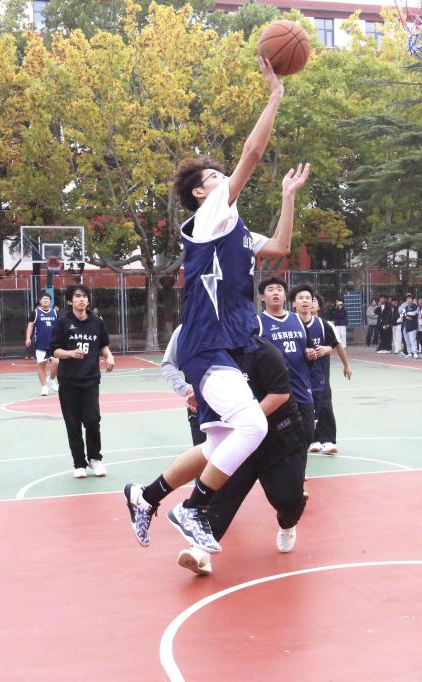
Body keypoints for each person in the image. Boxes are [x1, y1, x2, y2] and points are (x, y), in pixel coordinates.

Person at [123, 59, 308, 554]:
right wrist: (275, 95)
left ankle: (146, 495)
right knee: (254, 424)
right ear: (201, 192)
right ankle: (193, 509)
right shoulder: (210, 217)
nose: (223, 176)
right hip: (207, 344)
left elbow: (281, 247)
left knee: (218, 445)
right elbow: (253, 151)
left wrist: (288, 196)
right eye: (214, 175)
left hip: (224, 347)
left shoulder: (236, 231)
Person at [177, 336, 308, 576]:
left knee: (287, 498)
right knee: (222, 494)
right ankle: (200, 551)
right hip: (240, 441)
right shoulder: (216, 356)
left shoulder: (265, 352)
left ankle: (288, 522)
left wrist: (247, 422)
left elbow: (279, 395)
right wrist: (199, 396)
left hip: (279, 438)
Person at [50, 285, 114, 478]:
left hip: (90, 379)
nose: (82, 299)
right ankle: (79, 463)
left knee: (92, 421)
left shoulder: (96, 322)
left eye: (85, 296)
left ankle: (95, 459)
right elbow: (55, 351)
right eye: (78, 296)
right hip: (68, 380)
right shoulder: (63, 322)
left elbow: (103, 345)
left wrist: (109, 356)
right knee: (73, 423)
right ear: (70, 301)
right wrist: (70, 353)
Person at [256, 277, 315, 452]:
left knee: (307, 435)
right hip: (273, 392)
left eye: (279, 289)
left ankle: (297, 465)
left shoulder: (298, 320)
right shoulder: (257, 323)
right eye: (270, 289)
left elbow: (308, 348)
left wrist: (310, 354)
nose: (275, 293)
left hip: (301, 388)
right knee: (277, 440)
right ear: (262, 296)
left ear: (285, 295)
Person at [293, 284, 351, 454]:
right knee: (305, 407)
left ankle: (328, 440)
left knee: (324, 404)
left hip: (320, 372)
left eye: (311, 300)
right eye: (302, 298)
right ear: (294, 303)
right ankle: (313, 439)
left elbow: (335, 345)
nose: (308, 302)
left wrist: (343, 362)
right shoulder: (291, 323)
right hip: (299, 374)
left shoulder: (324, 325)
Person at [161, 324, 205, 447]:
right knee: (204, 455)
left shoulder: (233, 325)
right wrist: (187, 389)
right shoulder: (184, 330)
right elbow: (167, 365)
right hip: (199, 410)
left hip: (231, 411)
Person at [24, 293, 60, 396]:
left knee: (57, 362)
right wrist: (28, 338)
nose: (45, 300)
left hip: (54, 344)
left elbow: (60, 326)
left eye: (47, 299)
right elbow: (30, 325)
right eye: (43, 299)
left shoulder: (55, 312)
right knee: (41, 365)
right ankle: (44, 387)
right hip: (40, 344)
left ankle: (52, 379)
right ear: (40, 301)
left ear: (50, 301)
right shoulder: (35, 312)